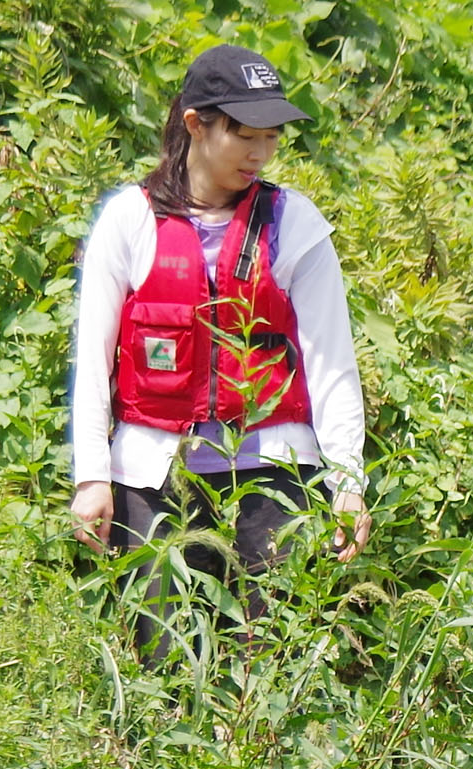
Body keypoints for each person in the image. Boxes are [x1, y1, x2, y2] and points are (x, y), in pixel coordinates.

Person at [68, 44, 371, 660]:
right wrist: (91, 478)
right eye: (244, 137)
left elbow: (332, 363)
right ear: (195, 125)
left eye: (272, 138)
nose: (260, 155)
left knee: (266, 663)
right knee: (163, 665)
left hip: (274, 481)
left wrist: (347, 480)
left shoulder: (295, 223)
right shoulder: (130, 220)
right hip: (155, 480)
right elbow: (93, 364)